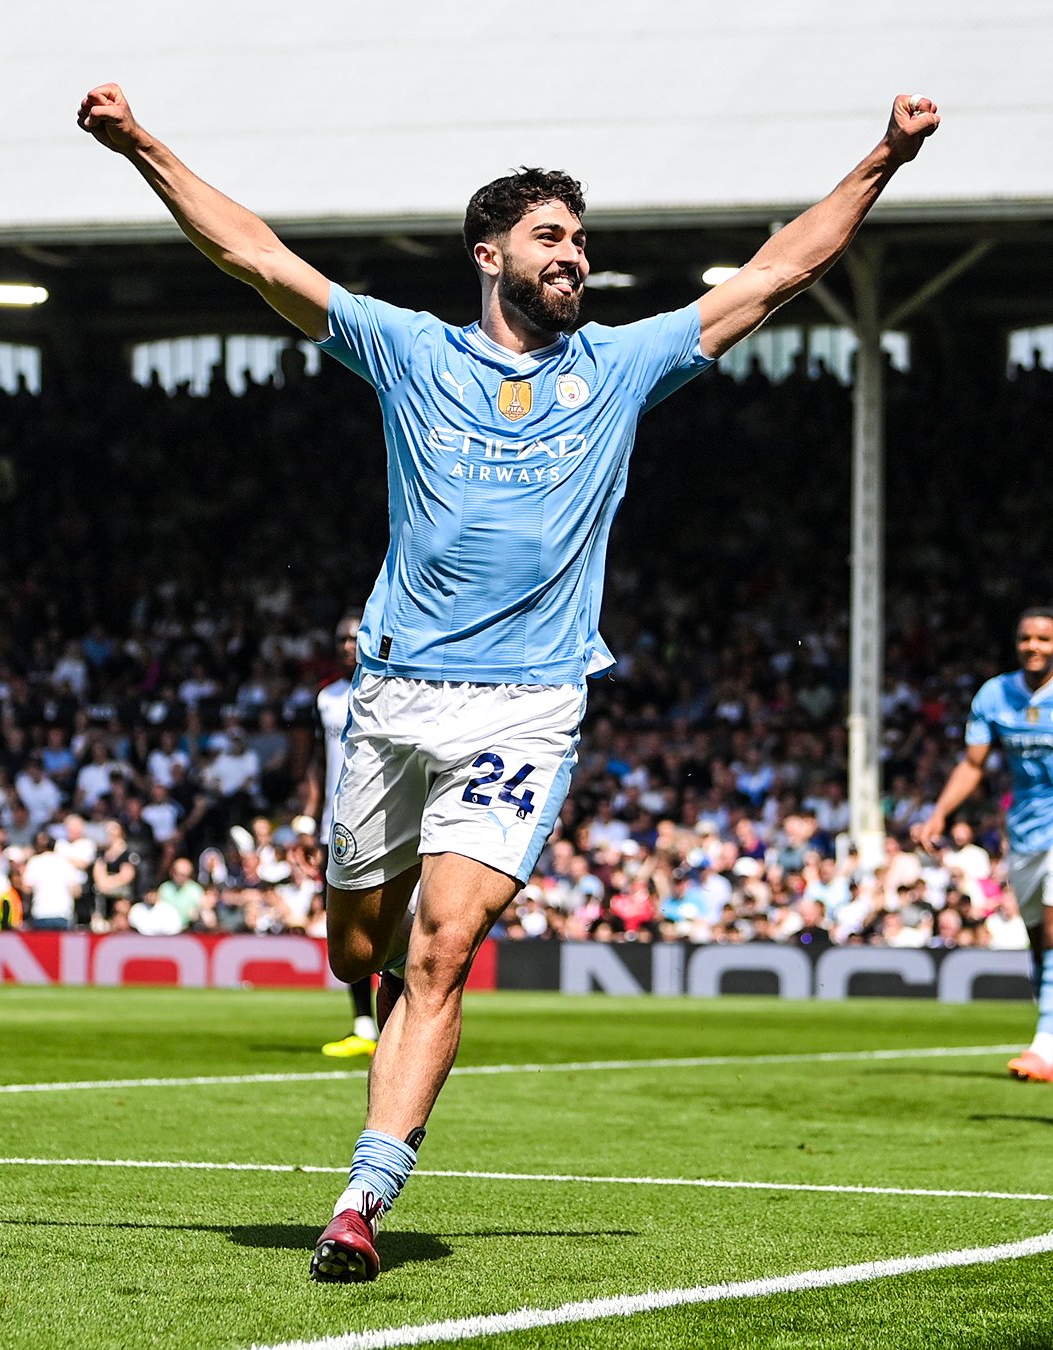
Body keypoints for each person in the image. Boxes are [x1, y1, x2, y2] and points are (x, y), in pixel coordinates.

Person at [78, 82, 940, 1282]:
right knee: (357, 944)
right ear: (489, 256)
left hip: (526, 705)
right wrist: (139, 145)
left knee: (442, 949)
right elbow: (253, 254)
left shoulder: (627, 366)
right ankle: (362, 971)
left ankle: (361, 1200)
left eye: (581, 241)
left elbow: (778, 271)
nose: (575, 258)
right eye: (551, 238)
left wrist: (885, 156)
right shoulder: (409, 352)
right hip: (393, 697)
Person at [915, 606, 1053, 1083]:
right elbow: (974, 765)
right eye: (1026, 638)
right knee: (1039, 941)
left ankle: (1044, 1047)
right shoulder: (996, 695)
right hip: (1026, 831)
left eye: (1044, 639)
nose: (1034, 646)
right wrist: (939, 811)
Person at [306, 613, 380, 1060]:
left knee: (390, 922)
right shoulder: (326, 699)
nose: (347, 644)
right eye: (341, 637)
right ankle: (363, 1024)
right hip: (335, 826)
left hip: (384, 820)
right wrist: (308, 817)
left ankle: (395, 1020)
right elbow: (318, 761)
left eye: (355, 636)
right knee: (344, 924)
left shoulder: (388, 690)